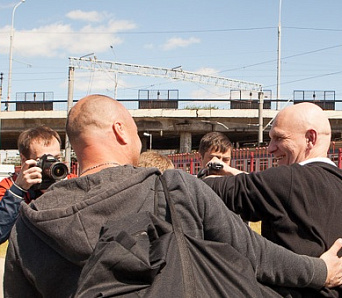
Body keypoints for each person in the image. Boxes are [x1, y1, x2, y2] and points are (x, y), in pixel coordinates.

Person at [4, 95, 342, 298]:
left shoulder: (29, 225)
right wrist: (320, 271)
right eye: (136, 131)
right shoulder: (174, 188)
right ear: (121, 131)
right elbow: (255, 255)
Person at [204, 102, 342, 297]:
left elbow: (203, 192)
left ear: (310, 138)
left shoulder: (288, 180)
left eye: (279, 138)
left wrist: (205, 176)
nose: (270, 148)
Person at [0, 125, 76, 244]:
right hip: (26, 257)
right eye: (44, 160)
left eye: (56, 158)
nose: (52, 164)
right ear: (25, 160)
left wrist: (62, 190)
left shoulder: (72, 181)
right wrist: (18, 191)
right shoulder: (9, 186)